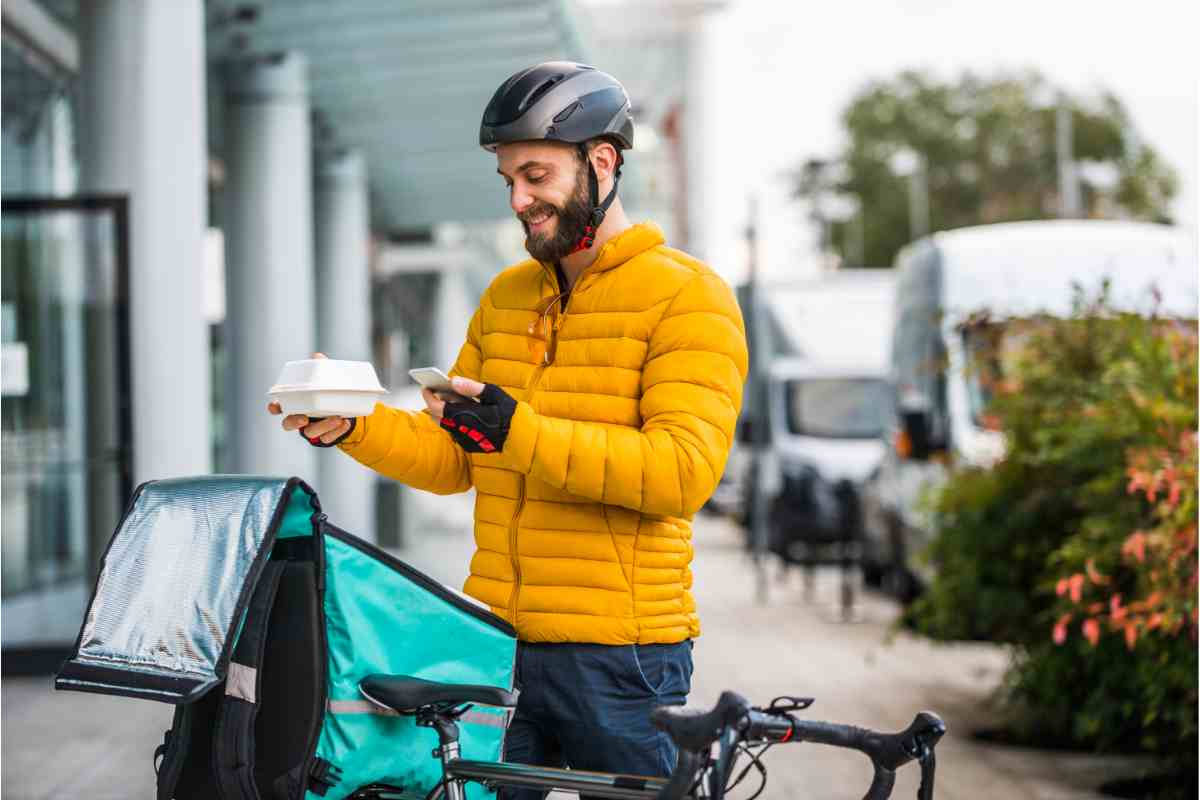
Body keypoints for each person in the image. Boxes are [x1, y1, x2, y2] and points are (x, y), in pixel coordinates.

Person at [269, 61, 749, 793]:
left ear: (603, 161)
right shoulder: (506, 294)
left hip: (622, 658)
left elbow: (681, 474)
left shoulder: (688, 297)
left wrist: (516, 432)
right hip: (498, 641)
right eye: (509, 183)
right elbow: (456, 460)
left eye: (535, 176)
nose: (521, 201)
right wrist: (354, 425)